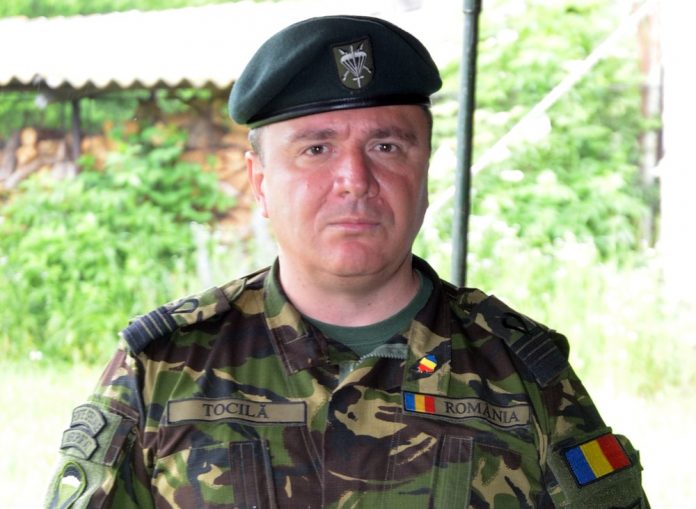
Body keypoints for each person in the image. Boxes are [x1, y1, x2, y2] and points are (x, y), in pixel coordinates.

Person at [45, 15, 650, 509]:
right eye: (316, 148)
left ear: (424, 170)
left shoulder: (524, 373)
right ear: (260, 181)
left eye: (386, 145)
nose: (355, 179)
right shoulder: (163, 367)